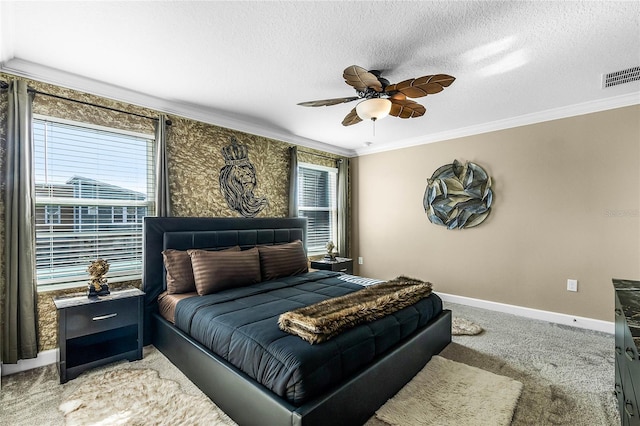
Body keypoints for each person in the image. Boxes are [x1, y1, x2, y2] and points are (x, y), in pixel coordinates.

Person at [219, 137, 268, 217]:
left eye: (249, 174)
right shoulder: (224, 208)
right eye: (242, 175)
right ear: (231, 180)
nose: (250, 178)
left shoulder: (262, 203)